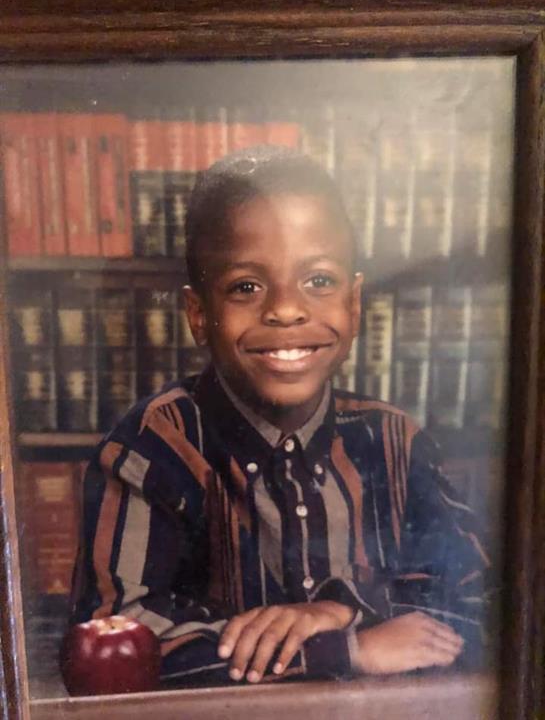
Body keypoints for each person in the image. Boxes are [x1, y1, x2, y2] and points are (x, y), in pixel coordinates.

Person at [70, 146, 492, 688]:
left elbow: (486, 596)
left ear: (356, 304)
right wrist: (342, 649)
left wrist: (342, 607)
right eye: (247, 286)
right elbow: (115, 641)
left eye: (319, 281)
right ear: (199, 315)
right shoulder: (151, 448)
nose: (287, 309)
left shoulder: (394, 440)